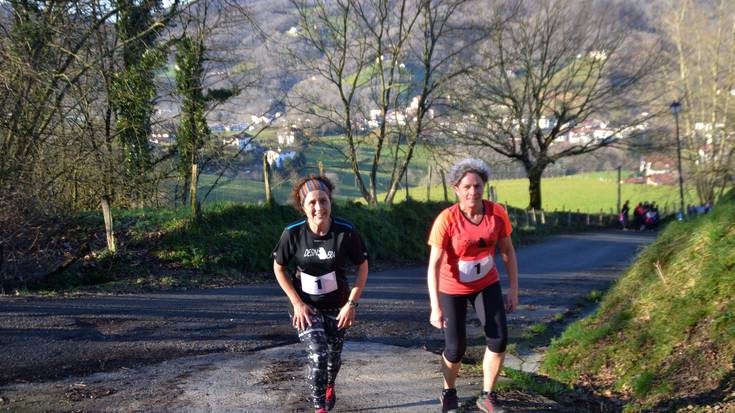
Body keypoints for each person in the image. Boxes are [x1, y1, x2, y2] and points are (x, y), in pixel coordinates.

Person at [426, 159, 519, 413]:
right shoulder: (447, 219)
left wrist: (513, 289)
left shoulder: (496, 212)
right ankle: (448, 391)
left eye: (477, 186)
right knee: (456, 348)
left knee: (499, 339)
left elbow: (508, 251)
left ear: (484, 186)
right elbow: (433, 264)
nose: (473, 192)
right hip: (452, 287)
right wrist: (435, 306)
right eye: (466, 186)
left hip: (486, 283)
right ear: (456, 189)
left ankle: (488, 395)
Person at [272, 176, 369, 413]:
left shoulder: (345, 232)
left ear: (330, 202)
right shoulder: (293, 233)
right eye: (312, 203)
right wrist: (296, 303)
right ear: (303, 206)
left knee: (332, 360)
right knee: (318, 354)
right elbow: (279, 267)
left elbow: (362, 267)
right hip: (306, 306)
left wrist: (351, 304)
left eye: (323, 201)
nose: (319, 208)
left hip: (338, 306)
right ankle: (319, 408)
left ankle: (330, 385)